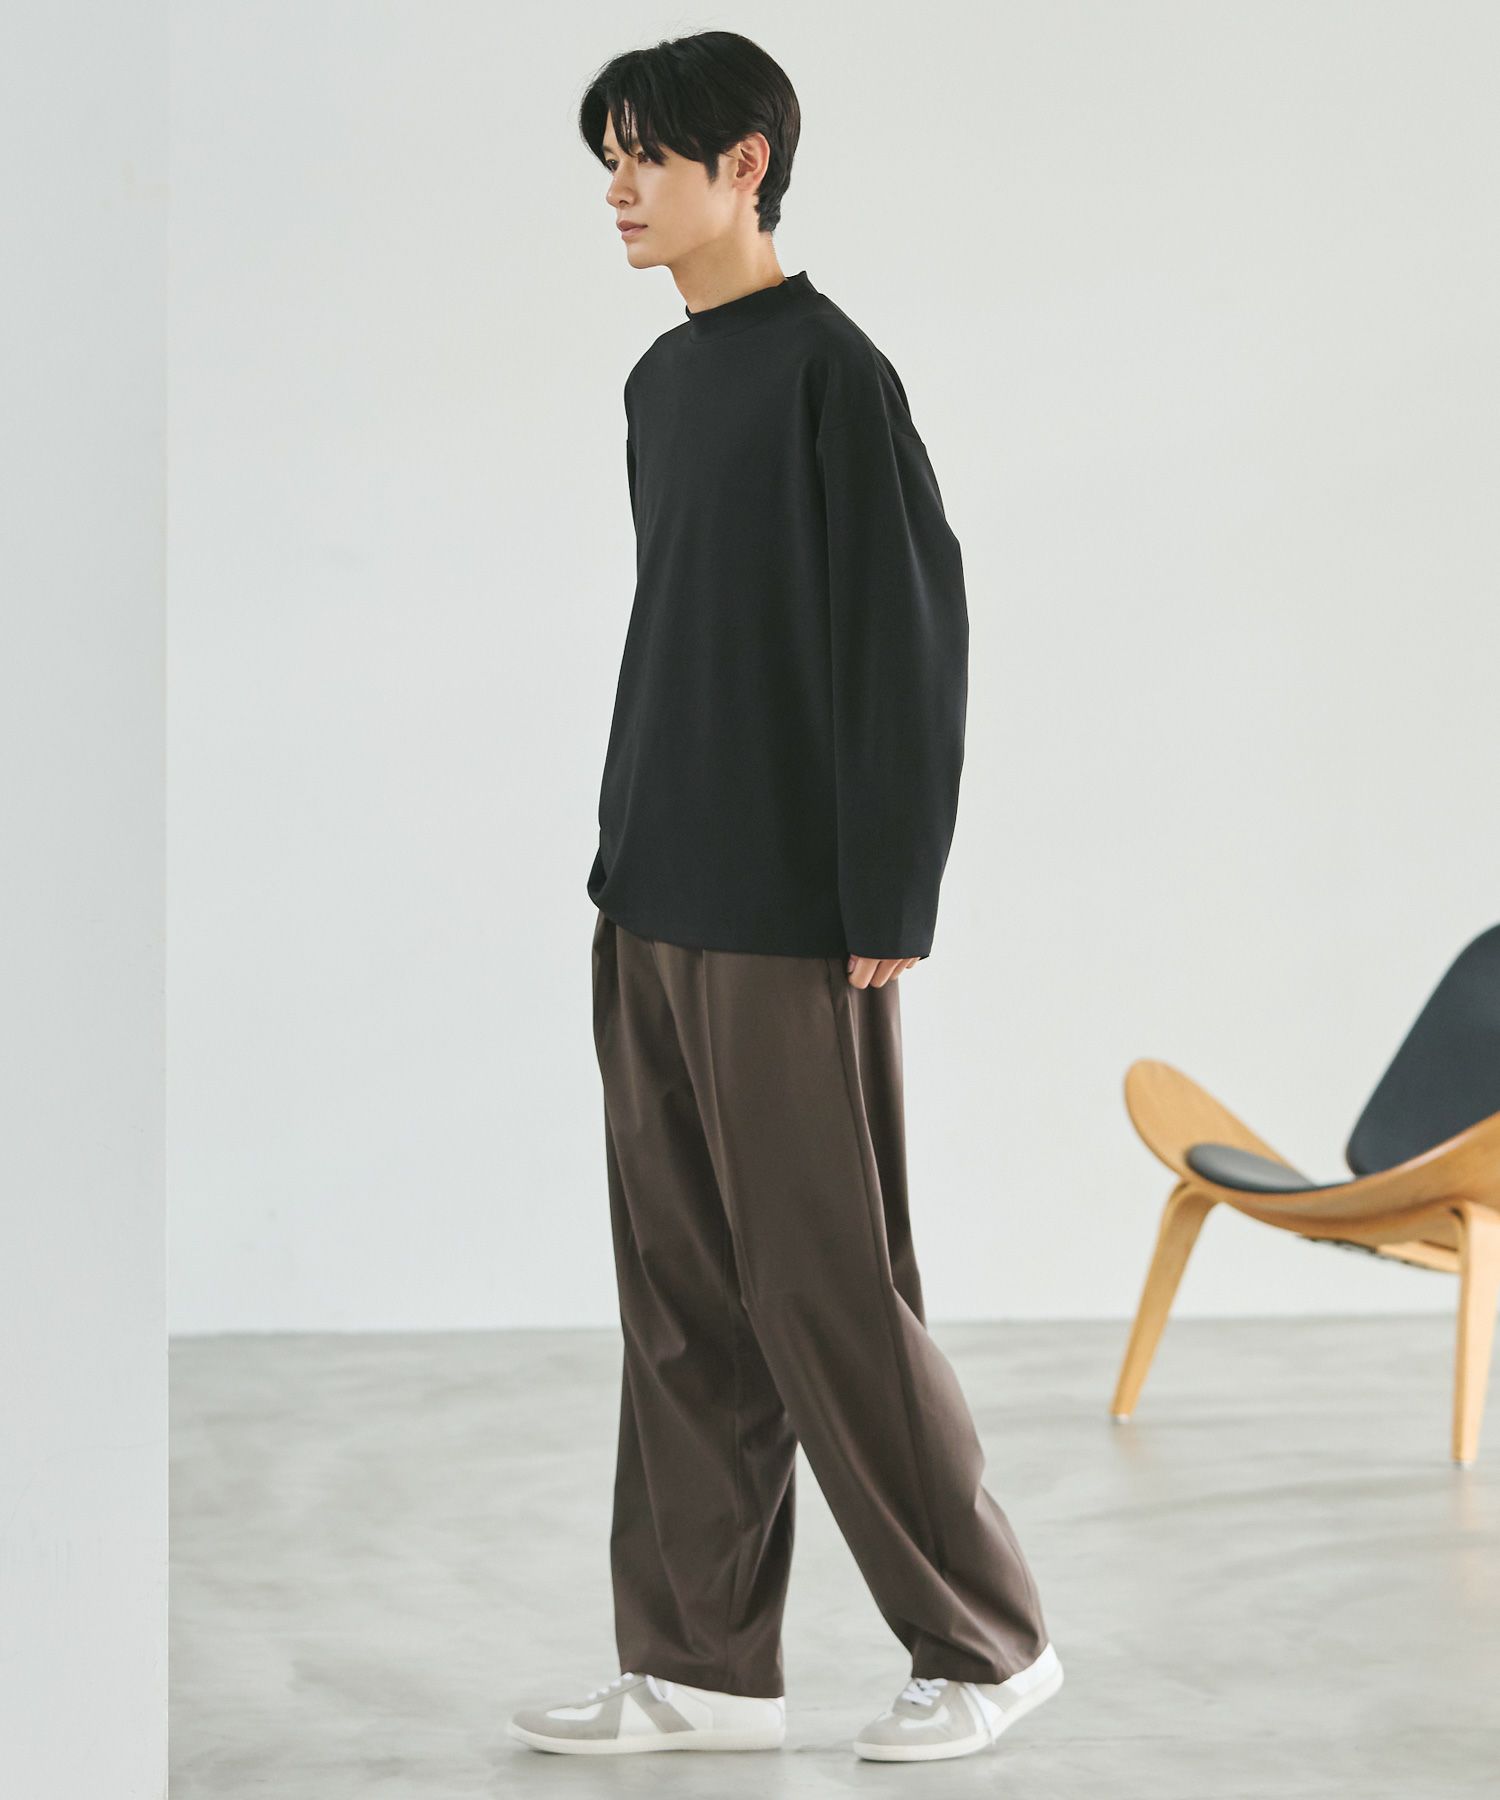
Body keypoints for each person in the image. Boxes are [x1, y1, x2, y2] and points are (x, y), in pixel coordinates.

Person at [507, 29, 1063, 1765]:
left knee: (826, 1284)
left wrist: (892, 887)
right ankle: (697, 1664)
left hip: (789, 915)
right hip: (650, 892)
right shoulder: (661, 385)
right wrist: (622, 855)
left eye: (644, 157)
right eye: (607, 159)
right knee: (679, 1288)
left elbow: (909, 638)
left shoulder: (834, 374)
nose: (617, 189)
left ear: (744, 164)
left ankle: (987, 1643)